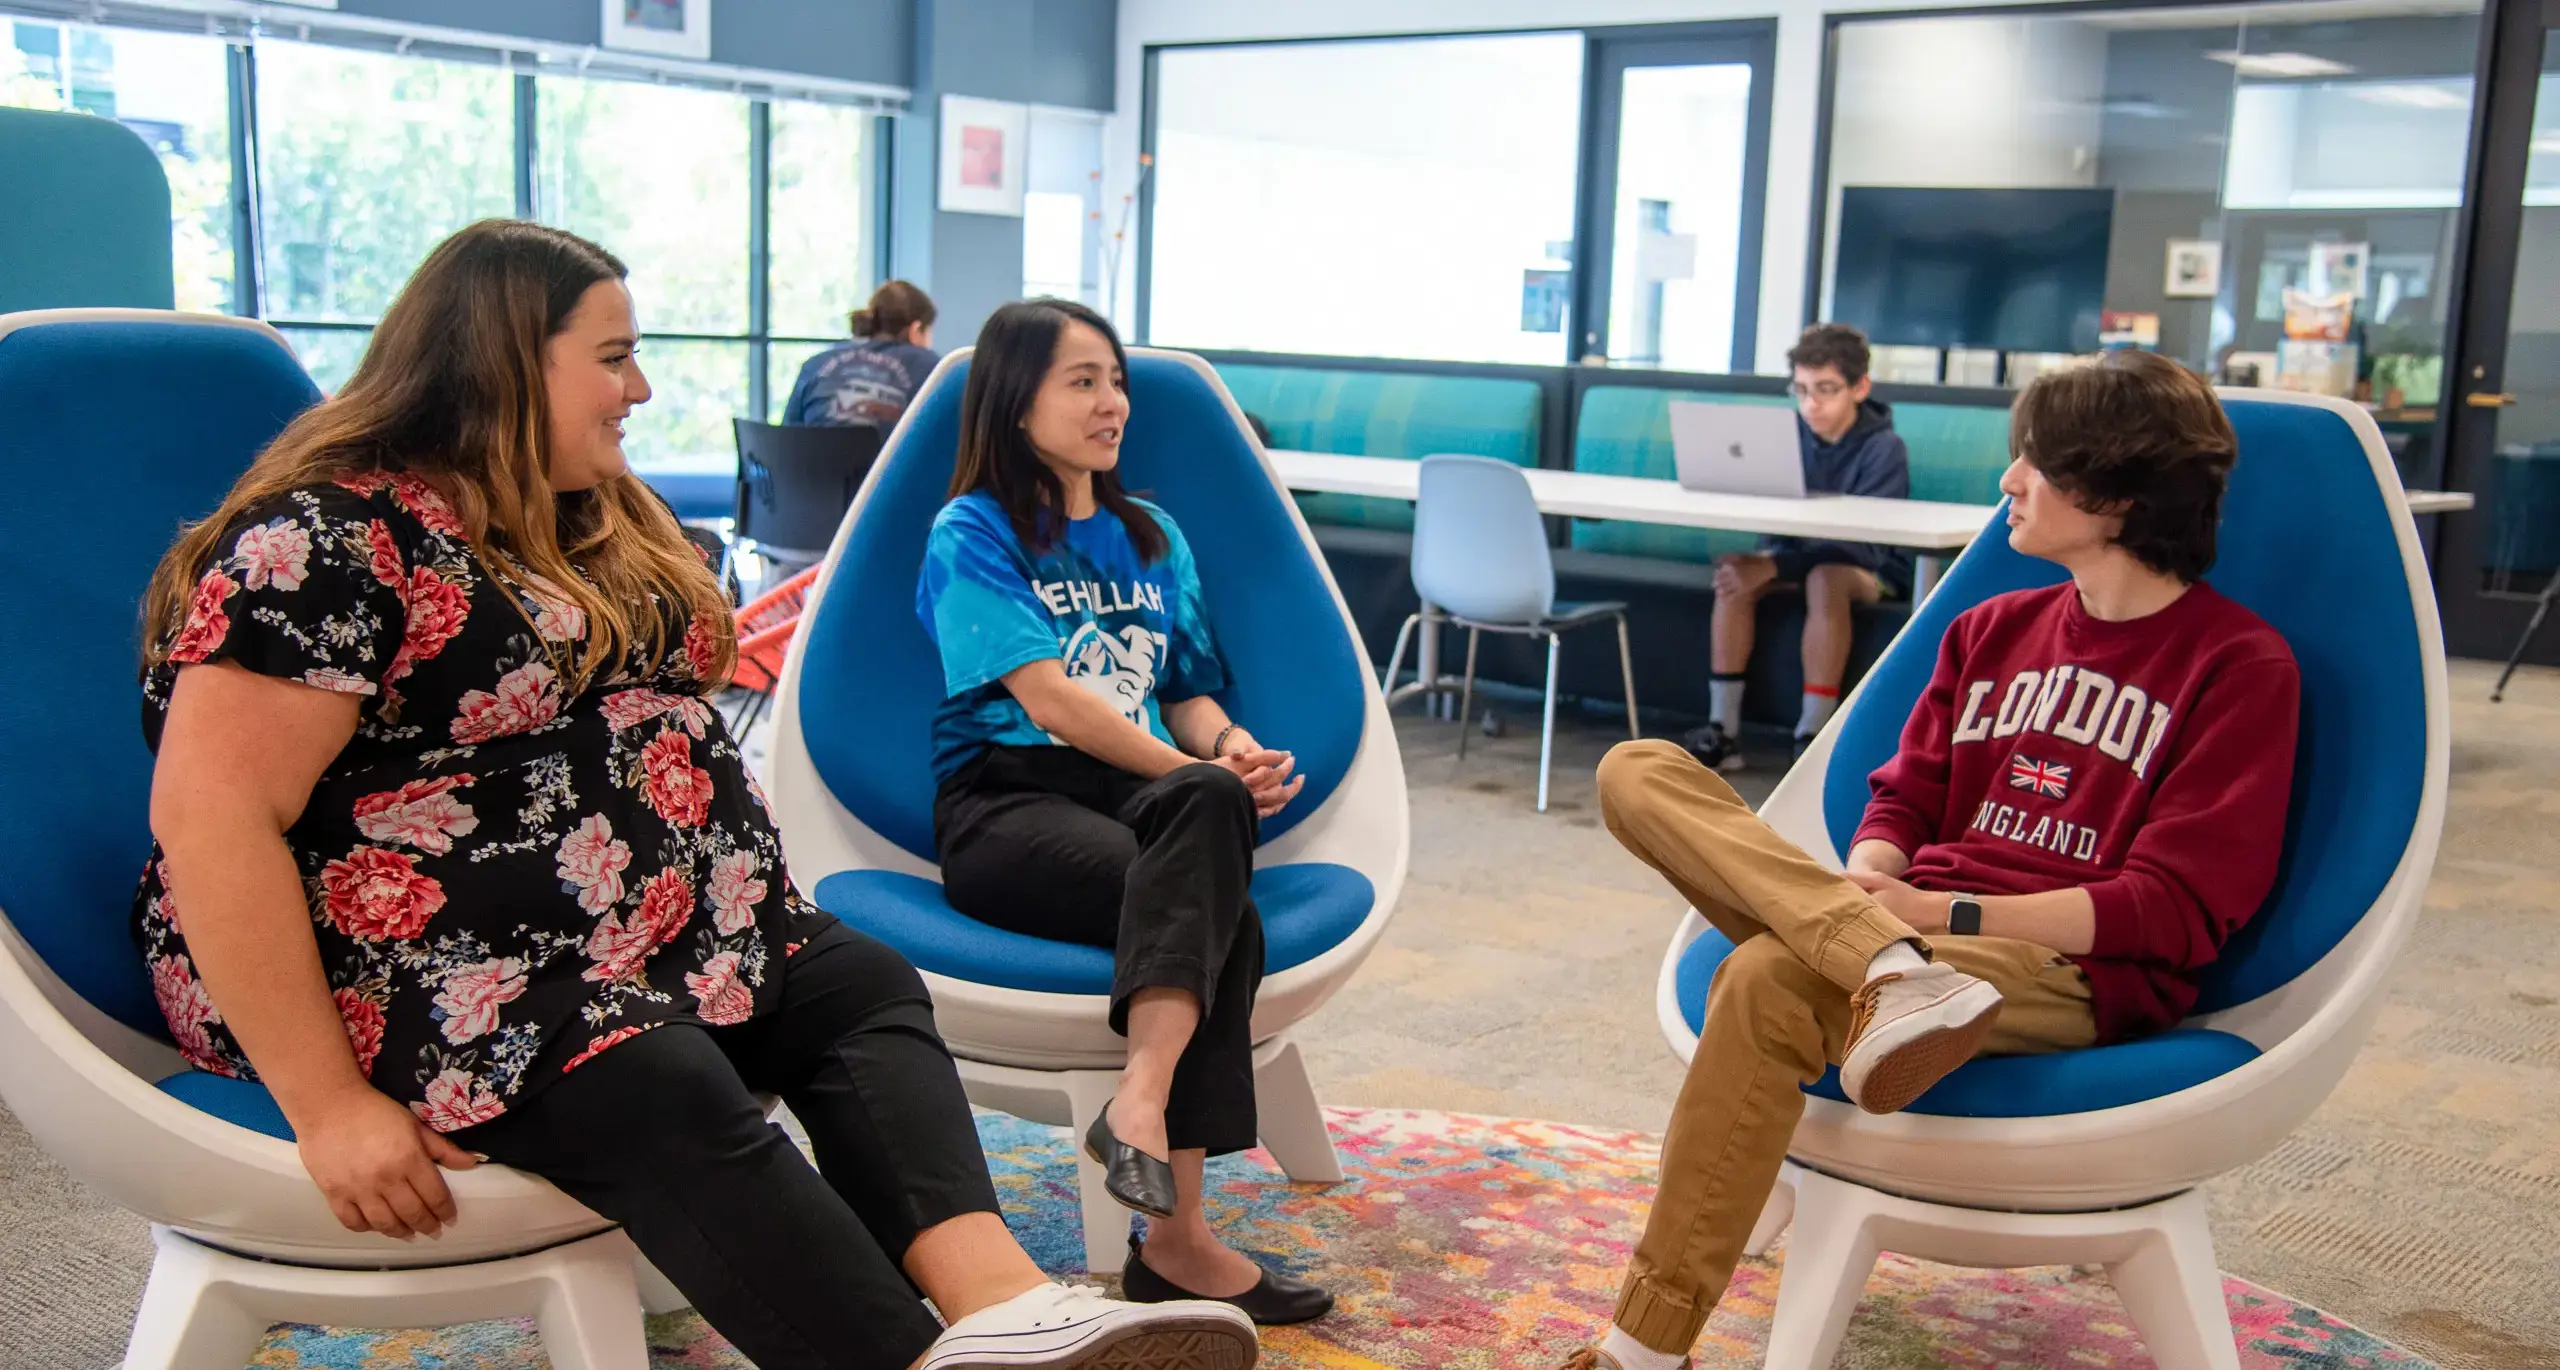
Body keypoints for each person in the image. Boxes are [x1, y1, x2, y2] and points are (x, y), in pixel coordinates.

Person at [132, 221, 1256, 1370]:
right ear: (505, 360)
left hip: (645, 930)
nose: (642, 387)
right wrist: (327, 1104)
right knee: (649, 1071)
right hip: (427, 963)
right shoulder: (328, 542)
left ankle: (1004, 1306)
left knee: (856, 984)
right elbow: (212, 817)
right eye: (613, 356)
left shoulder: (582, 514)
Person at [1559, 350, 2300, 1370]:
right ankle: (1880, 968)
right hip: (1908, 930)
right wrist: (1872, 885)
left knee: (1770, 973)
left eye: (2035, 462)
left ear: (2119, 495)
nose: (2008, 480)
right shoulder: (1988, 627)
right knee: (1637, 767)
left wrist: (1936, 915)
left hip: (2059, 967)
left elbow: (2166, 910)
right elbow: (1903, 794)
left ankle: (1639, 1350)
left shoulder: (2239, 666)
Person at [918, 298, 1334, 1326]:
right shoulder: (972, 529)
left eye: (1116, 380)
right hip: (1002, 803)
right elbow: (1052, 699)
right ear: (1016, 400)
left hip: (1138, 797)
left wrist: (1227, 748)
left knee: (1202, 828)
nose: (1112, 402)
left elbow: (1186, 690)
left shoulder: (1153, 535)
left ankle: (1139, 1102)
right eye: (1082, 380)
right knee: (1220, 909)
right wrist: (1197, 781)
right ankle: (1178, 1238)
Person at [1682, 323, 1911, 770]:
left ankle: (1812, 735)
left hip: (1874, 572)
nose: (1811, 404)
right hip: (1799, 563)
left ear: (1859, 387)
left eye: (1826, 390)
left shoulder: (1884, 449)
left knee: (1826, 579)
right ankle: (1723, 730)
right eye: (1802, 390)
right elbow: (1774, 531)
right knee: (1735, 572)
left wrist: (1775, 566)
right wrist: (1767, 562)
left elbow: (1865, 548)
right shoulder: (1783, 439)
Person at [783, 279, 940, 430]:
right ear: (916, 329)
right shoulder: (932, 368)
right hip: (890, 458)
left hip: (815, 457)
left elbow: (787, 438)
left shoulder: (815, 365)